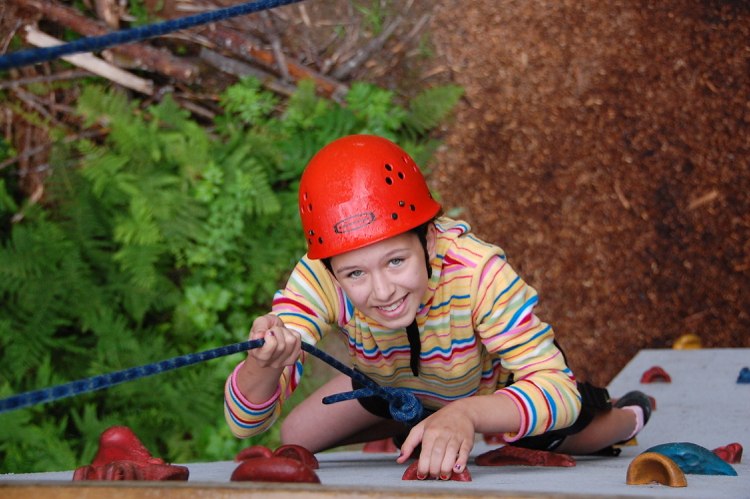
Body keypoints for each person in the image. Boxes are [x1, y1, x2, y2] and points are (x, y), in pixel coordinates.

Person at [224, 134, 651, 480]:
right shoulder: (321, 274)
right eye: (355, 274)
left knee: (584, 430)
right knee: (295, 434)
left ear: (427, 241)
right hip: (391, 385)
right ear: (332, 266)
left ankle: (632, 414)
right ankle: (415, 426)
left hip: (489, 394)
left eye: (396, 261)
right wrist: (263, 365)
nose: (383, 291)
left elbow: (557, 391)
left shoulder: (478, 272)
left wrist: (466, 415)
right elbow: (245, 424)